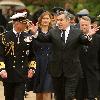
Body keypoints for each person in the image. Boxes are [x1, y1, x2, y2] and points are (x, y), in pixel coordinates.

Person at [29, 11, 99, 100]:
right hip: (56, 71)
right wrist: (35, 33)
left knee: (69, 96)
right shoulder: (53, 32)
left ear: (68, 21)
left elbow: (85, 41)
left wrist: (89, 35)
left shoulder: (77, 32)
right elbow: (44, 38)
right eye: (57, 20)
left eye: (61, 20)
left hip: (72, 70)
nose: (58, 22)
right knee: (59, 96)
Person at [0, 12, 36, 100]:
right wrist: (2, 69)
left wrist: (32, 68)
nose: (26, 25)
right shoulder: (4, 37)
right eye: (24, 23)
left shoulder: (28, 37)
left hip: (22, 74)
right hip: (8, 74)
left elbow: (32, 55)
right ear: (16, 23)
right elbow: (1, 56)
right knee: (9, 97)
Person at [76, 16, 100, 100]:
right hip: (79, 75)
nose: (84, 27)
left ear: (90, 25)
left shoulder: (98, 38)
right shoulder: (75, 38)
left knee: (92, 97)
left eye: (86, 25)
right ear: (79, 25)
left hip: (93, 73)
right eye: (82, 25)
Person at [33, 11, 54, 100]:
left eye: (47, 18)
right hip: (38, 63)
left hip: (50, 63)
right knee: (39, 92)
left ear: (50, 20)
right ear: (40, 20)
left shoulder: (54, 32)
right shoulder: (34, 31)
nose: (45, 20)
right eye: (43, 18)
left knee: (47, 89)